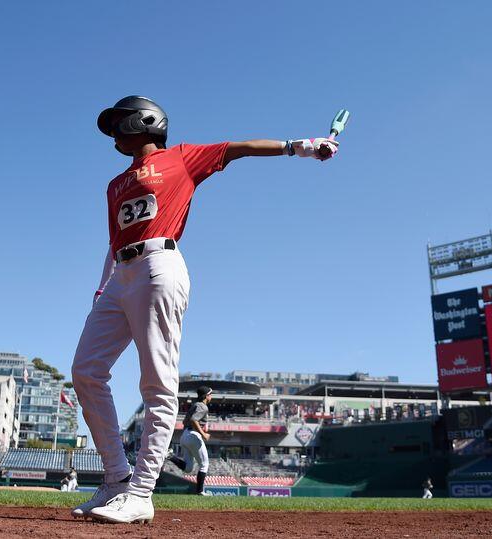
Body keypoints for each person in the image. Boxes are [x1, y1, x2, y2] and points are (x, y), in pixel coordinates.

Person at [70, 96, 338, 524]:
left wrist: (299, 146)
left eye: (119, 123)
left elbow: (239, 148)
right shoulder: (115, 184)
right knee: (86, 370)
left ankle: (141, 493)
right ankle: (117, 479)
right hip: (121, 275)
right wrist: (102, 289)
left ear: (143, 121)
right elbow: (113, 242)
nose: (113, 134)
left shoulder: (182, 157)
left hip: (159, 265)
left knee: (156, 382)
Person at [166, 386, 214, 495]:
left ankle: (170, 456)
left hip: (185, 435)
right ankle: (200, 491)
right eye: (210, 394)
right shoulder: (203, 406)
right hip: (193, 435)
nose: (211, 396)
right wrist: (203, 434)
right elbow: (193, 420)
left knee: (188, 468)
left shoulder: (195, 405)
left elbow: (185, 422)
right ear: (206, 396)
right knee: (204, 464)